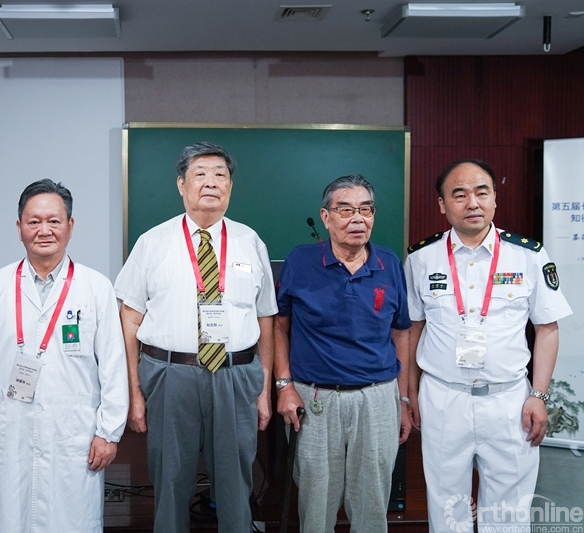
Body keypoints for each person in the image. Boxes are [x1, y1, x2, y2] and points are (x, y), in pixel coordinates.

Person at [114, 141, 277, 533]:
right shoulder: (152, 242)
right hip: (170, 375)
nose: (211, 183)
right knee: (170, 480)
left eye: (220, 175)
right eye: (200, 174)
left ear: (230, 187)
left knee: (236, 484)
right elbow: (129, 319)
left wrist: (264, 389)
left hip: (236, 375)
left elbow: (266, 319)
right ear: (181, 185)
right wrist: (134, 392)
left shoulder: (250, 242)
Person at [405, 159, 572, 532]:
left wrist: (539, 395)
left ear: (495, 197)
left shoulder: (528, 255)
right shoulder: (420, 258)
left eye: (482, 192)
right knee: (448, 509)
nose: (472, 203)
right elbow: (413, 329)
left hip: (509, 401)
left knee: (509, 513)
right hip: (443, 398)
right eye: (459, 195)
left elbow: (547, 328)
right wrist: (409, 392)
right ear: (442, 204)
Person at [0, 179, 128, 532]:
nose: (44, 230)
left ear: (70, 225)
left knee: (73, 521)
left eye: (54, 221)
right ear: (19, 227)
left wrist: (109, 433)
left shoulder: (96, 287)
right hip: (9, 428)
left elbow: (114, 367)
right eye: (34, 221)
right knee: (12, 519)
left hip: (73, 433)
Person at [273, 174, 411, 532]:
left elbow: (401, 332)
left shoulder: (389, 264)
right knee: (316, 502)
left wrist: (403, 399)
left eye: (366, 209)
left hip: (377, 398)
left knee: (372, 502)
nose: (358, 218)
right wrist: (284, 385)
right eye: (346, 210)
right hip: (316, 398)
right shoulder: (301, 261)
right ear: (326, 216)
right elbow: (279, 327)